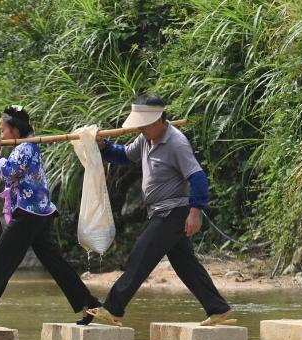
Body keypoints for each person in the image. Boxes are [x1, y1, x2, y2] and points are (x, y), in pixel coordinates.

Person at [86, 94, 234, 327]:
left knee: (140, 256)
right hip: (160, 211)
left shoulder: (176, 143)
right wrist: (103, 146)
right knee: (186, 265)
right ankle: (218, 308)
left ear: (157, 121)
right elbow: (124, 156)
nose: (140, 129)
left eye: (143, 125)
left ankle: (113, 308)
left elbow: (198, 178)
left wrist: (194, 213)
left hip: (173, 212)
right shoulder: (146, 139)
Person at [0, 105, 102, 327]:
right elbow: (14, 175)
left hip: (29, 213)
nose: (1, 135)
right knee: (54, 262)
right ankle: (89, 304)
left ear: (15, 131)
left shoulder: (25, 147)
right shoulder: (28, 147)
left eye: (3, 130)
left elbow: (10, 171)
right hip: (39, 212)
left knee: (1, 257)